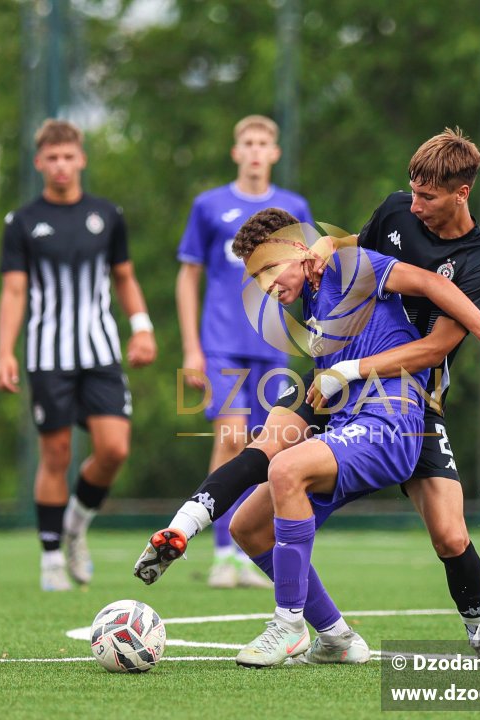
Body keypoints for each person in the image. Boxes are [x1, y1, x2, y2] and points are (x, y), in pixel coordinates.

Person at [136, 128, 480, 661]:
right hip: (348, 396)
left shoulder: (478, 260)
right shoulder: (378, 230)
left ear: (461, 192)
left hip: (406, 398)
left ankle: (479, 636)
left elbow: (434, 337)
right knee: (251, 511)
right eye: (412, 191)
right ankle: (336, 636)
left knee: (449, 534)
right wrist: (180, 528)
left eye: (428, 197)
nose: (414, 204)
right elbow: (349, 248)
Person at [0, 119, 156, 591]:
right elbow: (13, 290)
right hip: (48, 355)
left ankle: (75, 527)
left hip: (100, 350)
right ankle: (49, 558)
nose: (61, 166)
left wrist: (141, 327)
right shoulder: (22, 222)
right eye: (53, 158)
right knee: (56, 453)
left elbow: (124, 277)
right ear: (39, 162)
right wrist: (4, 351)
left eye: (69, 157)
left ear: (81, 159)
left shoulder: (107, 215)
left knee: (114, 449)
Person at [175, 115, 312, 589]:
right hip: (222, 343)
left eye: (263, 144)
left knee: (265, 447)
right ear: (236, 151)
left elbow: (307, 274)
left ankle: (247, 546)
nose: (255, 151)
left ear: (274, 153)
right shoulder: (209, 206)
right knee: (230, 439)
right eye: (248, 143)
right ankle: (221, 554)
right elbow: (188, 276)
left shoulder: (293, 206)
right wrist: (192, 347)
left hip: (272, 346)